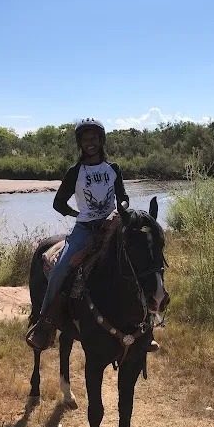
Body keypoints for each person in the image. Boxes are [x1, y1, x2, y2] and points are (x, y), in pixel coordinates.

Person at [26, 118, 159, 353]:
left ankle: (147, 328)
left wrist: (122, 208)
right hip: (85, 229)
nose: (90, 143)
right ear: (80, 143)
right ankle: (44, 325)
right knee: (60, 269)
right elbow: (59, 203)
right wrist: (79, 214)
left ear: (101, 140)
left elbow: (122, 196)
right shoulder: (75, 171)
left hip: (112, 226)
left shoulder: (113, 169)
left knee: (139, 264)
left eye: (94, 138)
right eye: (86, 139)